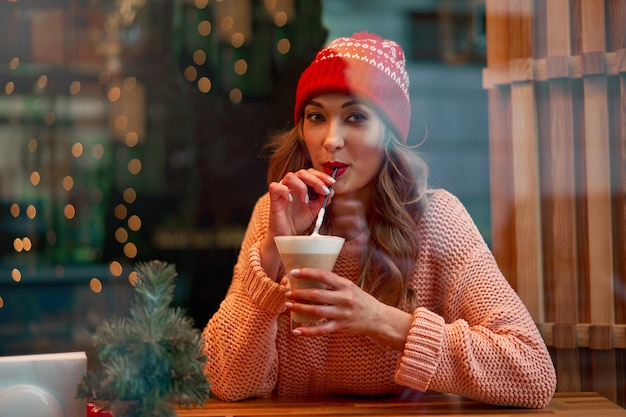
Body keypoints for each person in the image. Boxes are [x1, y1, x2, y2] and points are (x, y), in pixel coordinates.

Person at [202, 31, 557, 408]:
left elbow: (531, 371)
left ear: (388, 134)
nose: (332, 140)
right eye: (316, 116)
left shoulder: (436, 219)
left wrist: (381, 321)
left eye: (356, 116)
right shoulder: (276, 212)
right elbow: (227, 380)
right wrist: (272, 250)